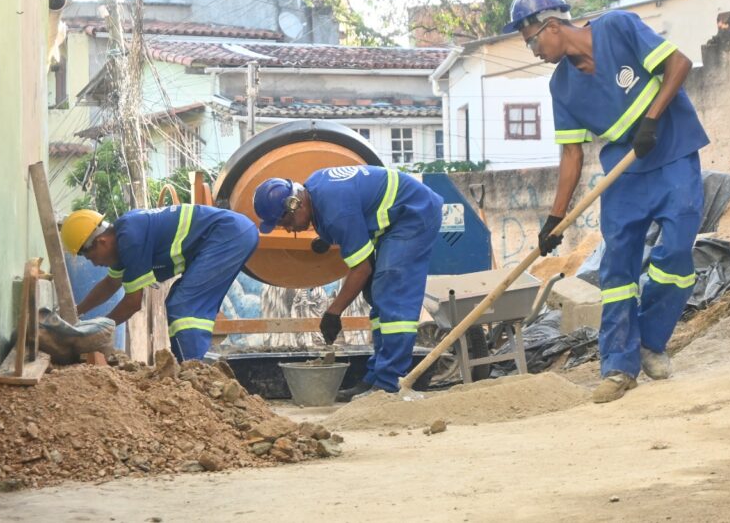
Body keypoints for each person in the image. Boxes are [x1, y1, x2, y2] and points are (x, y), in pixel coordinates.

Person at [503, 0, 709, 403]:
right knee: (617, 273)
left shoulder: (618, 27)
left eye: (532, 40)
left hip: (672, 154)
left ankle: (650, 340)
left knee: (675, 255)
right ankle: (618, 367)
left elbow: (678, 64)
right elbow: (571, 156)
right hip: (625, 173)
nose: (533, 51)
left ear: (554, 26)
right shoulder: (561, 87)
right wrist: (553, 220)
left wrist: (651, 120)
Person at [252, 165, 443, 399]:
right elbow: (352, 207)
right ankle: (375, 378)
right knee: (377, 295)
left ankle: (389, 384)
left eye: (286, 223)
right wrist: (328, 236)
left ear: (295, 203)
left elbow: (361, 269)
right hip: (395, 218)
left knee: (394, 296)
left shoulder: (335, 212)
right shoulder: (313, 185)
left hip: (413, 213)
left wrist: (333, 312)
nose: (290, 230)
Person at [59, 205, 259, 362]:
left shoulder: (131, 239)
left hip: (229, 234)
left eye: (89, 256)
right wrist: (75, 312)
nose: (93, 263)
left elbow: (132, 303)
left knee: (184, 305)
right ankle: (188, 369)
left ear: (101, 241)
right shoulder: (122, 239)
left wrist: (95, 332)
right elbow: (111, 283)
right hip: (231, 233)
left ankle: (193, 371)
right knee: (177, 299)